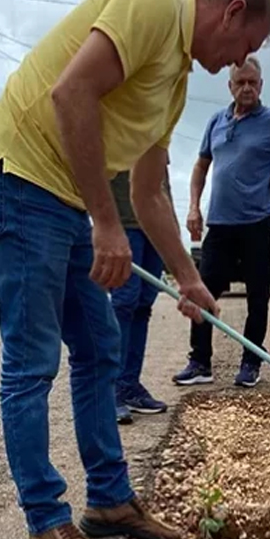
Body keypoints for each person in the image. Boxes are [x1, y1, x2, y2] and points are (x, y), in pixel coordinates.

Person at [0, 0, 270, 539]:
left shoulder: (176, 83)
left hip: (63, 197)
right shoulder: (150, 4)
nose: (235, 62)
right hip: (19, 178)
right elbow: (70, 92)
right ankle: (45, 525)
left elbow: (150, 191)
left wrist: (188, 278)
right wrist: (106, 228)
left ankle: (109, 500)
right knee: (32, 361)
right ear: (232, 11)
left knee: (98, 347)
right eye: (243, 45)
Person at [172, 55, 270, 388]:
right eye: (241, 82)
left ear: (261, 85)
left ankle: (251, 362)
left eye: (253, 82)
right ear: (230, 86)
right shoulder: (216, 122)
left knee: (257, 294)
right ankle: (200, 362)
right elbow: (200, 167)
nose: (247, 88)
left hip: (257, 222)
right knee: (203, 290)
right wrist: (194, 207)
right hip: (219, 224)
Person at [109, 169, 174, 425]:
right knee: (124, 302)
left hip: (154, 227)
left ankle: (129, 385)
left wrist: (172, 231)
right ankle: (111, 389)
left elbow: (164, 182)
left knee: (144, 302)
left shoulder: (159, 130)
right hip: (123, 223)